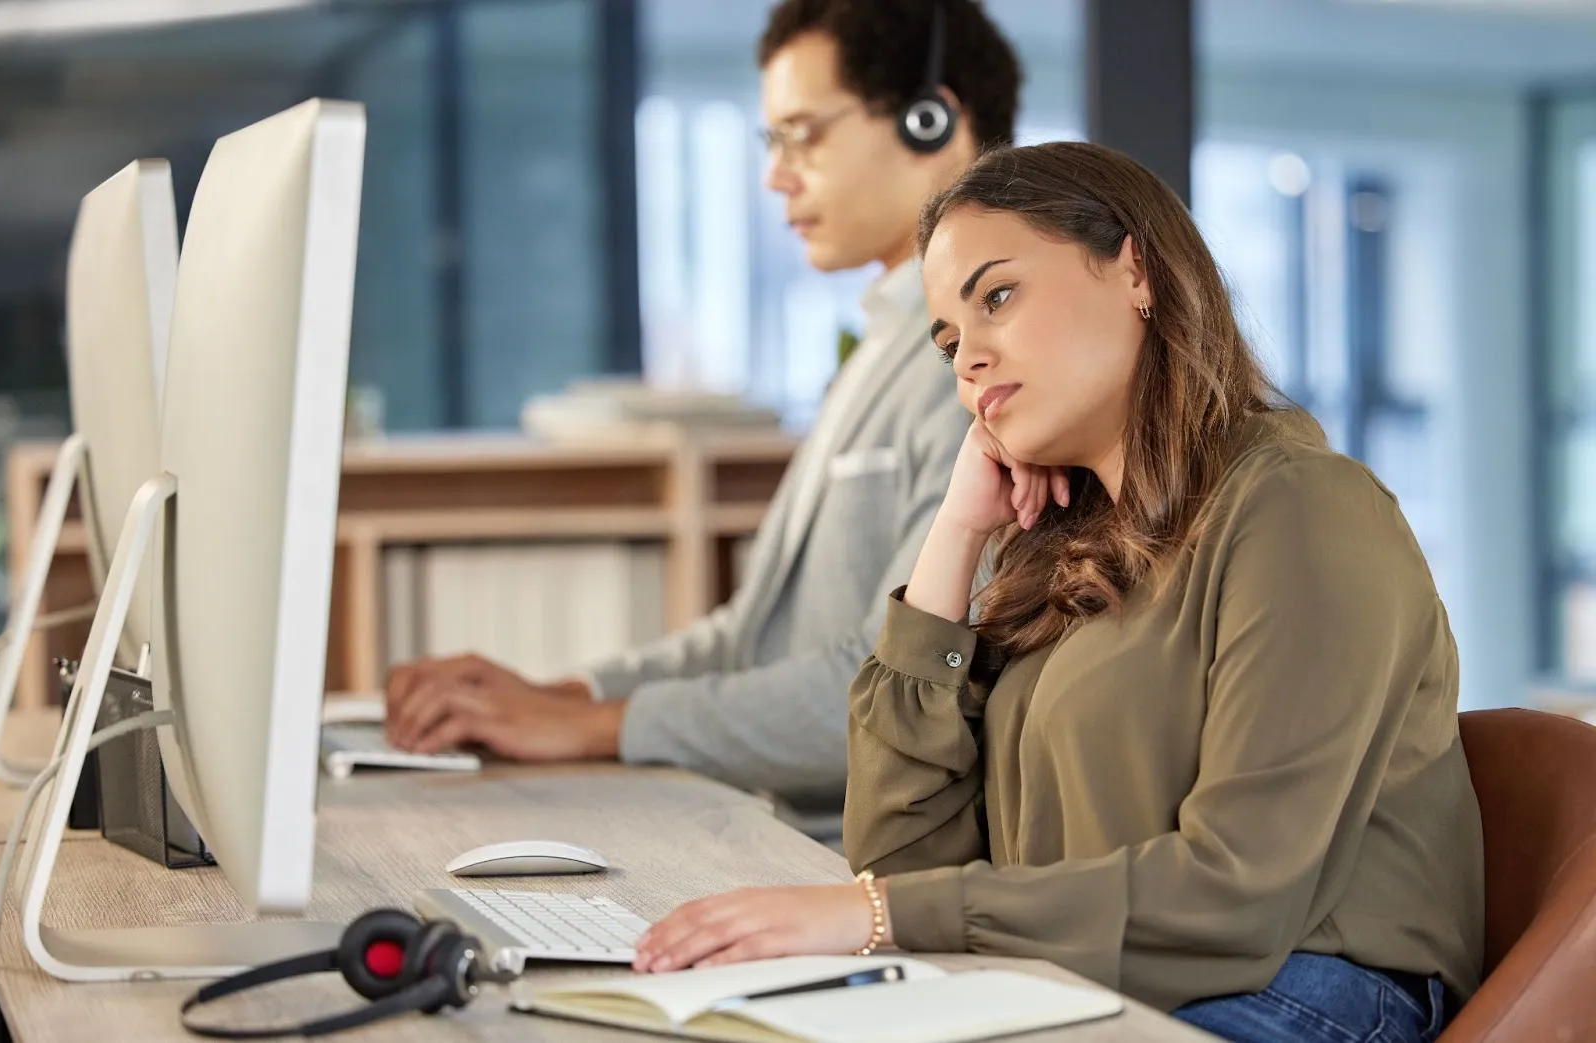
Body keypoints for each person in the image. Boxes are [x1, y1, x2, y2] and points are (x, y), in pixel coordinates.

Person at [626, 141, 1486, 1043]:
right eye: (949, 340)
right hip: (1101, 983)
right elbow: (903, 858)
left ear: (1135, 271)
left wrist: (873, 917)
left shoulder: (1303, 509)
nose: (968, 361)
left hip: (1306, 988)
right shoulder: (1062, 557)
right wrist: (956, 536)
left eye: (998, 296)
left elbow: (1238, 894)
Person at [382, 0, 1023, 814]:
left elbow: (884, 685)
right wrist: (569, 694)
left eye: (805, 134)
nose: (776, 175)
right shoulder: (884, 347)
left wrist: (597, 725)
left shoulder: (973, 364)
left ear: (932, 121)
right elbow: (753, 637)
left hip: (854, 851)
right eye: (773, 141)